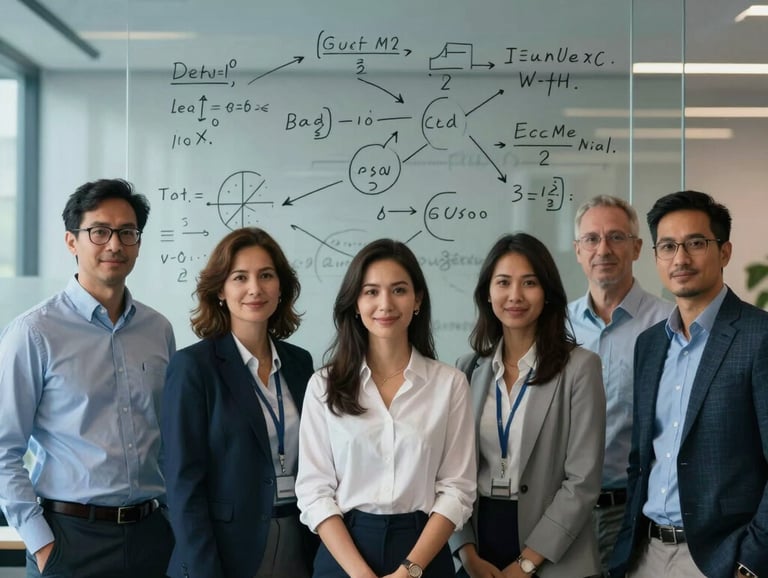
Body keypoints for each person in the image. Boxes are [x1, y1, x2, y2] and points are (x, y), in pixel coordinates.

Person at [0, 178, 175, 577]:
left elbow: (166, 439)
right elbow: (3, 449)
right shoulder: (34, 333)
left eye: (127, 232)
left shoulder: (158, 330)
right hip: (70, 539)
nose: (115, 244)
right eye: (99, 231)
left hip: (153, 537)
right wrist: (43, 546)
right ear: (71, 241)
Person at [609, 190, 768, 578]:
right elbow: (641, 461)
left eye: (696, 243)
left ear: (725, 252)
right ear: (656, 257)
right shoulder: (649, 344)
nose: (680, 258)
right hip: (644, 555)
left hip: (720, 560)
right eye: (668, 246)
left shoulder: (759, 336)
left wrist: (750, 563)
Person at [296, 238, 476, 578]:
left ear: (417, 299)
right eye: (371, 292)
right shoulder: (324, 385)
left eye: (399, 290)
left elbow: (458, 489)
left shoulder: (449, 384)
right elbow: (314, 491)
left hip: (423, 551)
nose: (385, 304)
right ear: (355, 302)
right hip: (344, 551)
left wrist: (410, 569)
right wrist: (360, 574)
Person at [161, 227, 317, 578]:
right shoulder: (193, 367)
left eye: (266, 275)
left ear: (281, 287)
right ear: (220, 289)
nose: (255, 289)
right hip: (223, 551)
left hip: (300, 542)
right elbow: (182, 484)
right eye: (240, 277)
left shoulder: (300, 364)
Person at [451, 232, 606, 578]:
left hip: (555, 552)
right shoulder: (467, 369)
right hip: (479, 547)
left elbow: (582, 480)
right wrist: (466, 553)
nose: (515, 296)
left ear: (548, 294)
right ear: (487, 293)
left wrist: (527, 562)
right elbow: (449, 473)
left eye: (529, 283)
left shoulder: (579, 367)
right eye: (503, 282)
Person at [568, 195, 672, 575]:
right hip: (562, 513)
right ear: (578, 250)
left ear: (637, 247)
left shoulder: (669, 324)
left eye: (616, 237)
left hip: (634, 513)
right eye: (591, 239)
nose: (603, 249)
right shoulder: (557, 328)